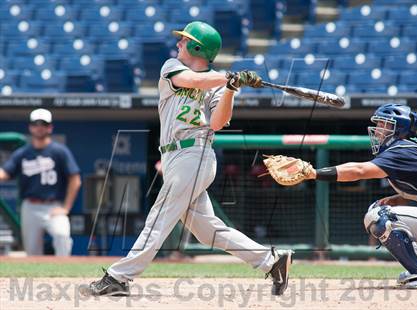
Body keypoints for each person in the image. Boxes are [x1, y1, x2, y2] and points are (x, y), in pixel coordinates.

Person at [81, 21, 293, 297]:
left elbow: (218, 122)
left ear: (197, 47)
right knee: (208, 232)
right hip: (173, 156)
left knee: (159, 217)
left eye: (184, 40)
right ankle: (270, 260)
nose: (179, 43)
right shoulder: (171, 67)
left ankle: (119, 277)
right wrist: (228, 77)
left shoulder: (218, 84)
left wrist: (230, 88)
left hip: (194, 155)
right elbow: (192, 81)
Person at [306, 103, 417, 288]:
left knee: (380, 216)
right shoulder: (409, 149)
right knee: (382, 209)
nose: (377, 130)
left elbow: (358, 170)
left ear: (400, 128)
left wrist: (312, 173)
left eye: (384, 124)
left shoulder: (401, 150)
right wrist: (401, 198)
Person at [0, 108, 81, 256]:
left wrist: (66, 208)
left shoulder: (59, 151)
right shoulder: (22, 153)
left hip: (53, 205)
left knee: (62, 236)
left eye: (43, 124)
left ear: (50, 127)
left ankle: (64, 274)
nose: (39, 127)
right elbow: (4, 173)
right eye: (36, 124)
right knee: (32, 252)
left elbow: (75, 179)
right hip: (30, 206)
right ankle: (39, 279)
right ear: (30, 127)